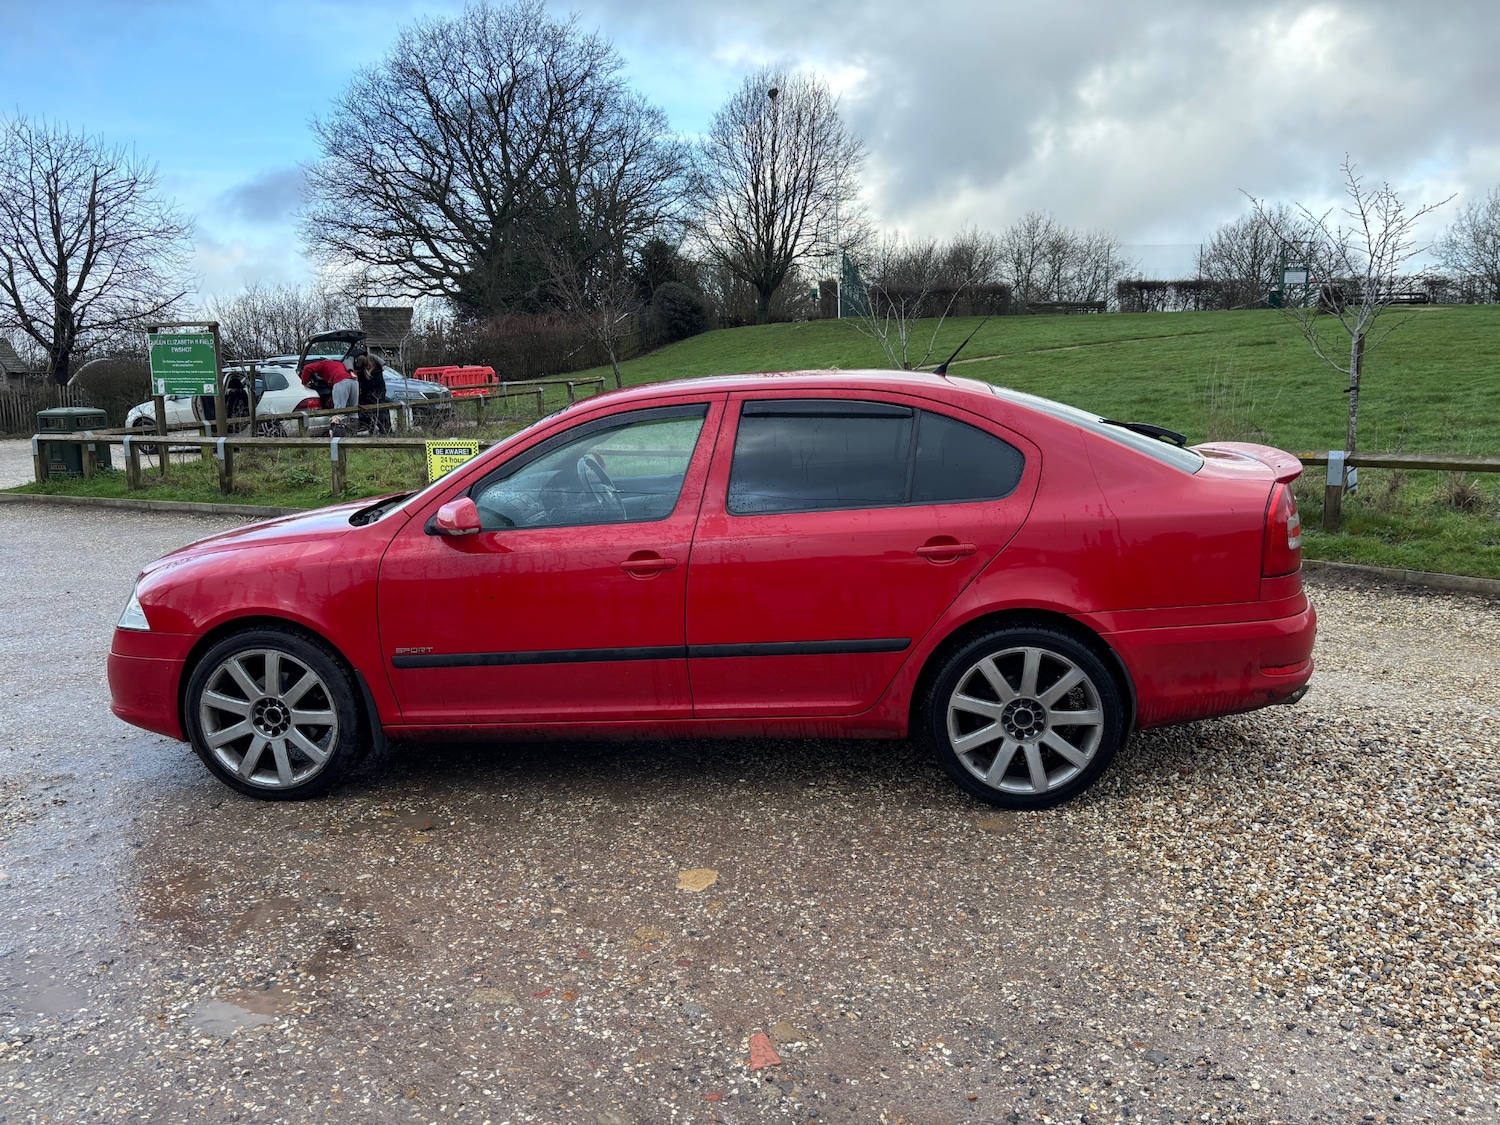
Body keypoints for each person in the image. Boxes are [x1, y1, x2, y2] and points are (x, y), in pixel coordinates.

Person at [353, 354, 389, 434]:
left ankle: (379, 430)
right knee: (375, 413)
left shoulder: (374, 372)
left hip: (373, 396)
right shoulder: (372, 371)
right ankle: (378, 430)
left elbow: (367, 385)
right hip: (373, 396)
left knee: (377, 413)